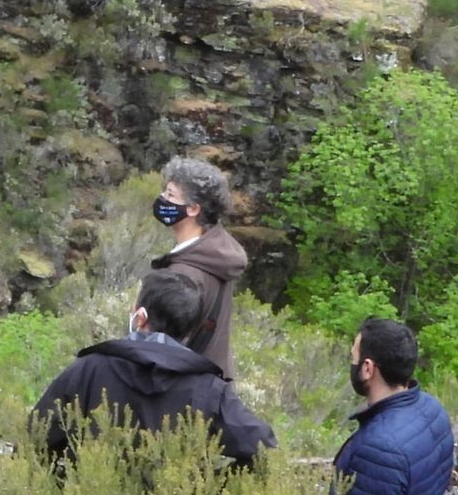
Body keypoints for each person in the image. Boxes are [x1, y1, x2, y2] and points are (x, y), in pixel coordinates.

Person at [32, 270, 276, 466]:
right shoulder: (208, 387)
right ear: (189, 331)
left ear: (141, 317)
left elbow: (36, 438)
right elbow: (263, 449)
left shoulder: (89, 369)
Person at [149, 156, 247, 379]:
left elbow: (165, 352)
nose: (162, 200)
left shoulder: (186, 273)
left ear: (193, 209)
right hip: (211, 389)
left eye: (170, 195)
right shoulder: (216, 252)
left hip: (185, 394)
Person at [333, 318, 455, 495]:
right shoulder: (432, 408)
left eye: (354, 357)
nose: (352, 364)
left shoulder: (378, 449)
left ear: (367, 369)